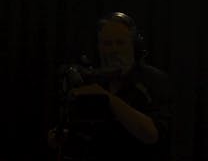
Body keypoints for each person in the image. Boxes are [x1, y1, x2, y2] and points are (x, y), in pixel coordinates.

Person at [48, 12, 172, 161]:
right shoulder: (94, 80)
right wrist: (64, 135)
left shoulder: (154, 80)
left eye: (120, 43)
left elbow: (152, 135)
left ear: (134, 46)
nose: (113, 50)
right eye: (107, 44)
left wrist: (107, 99)